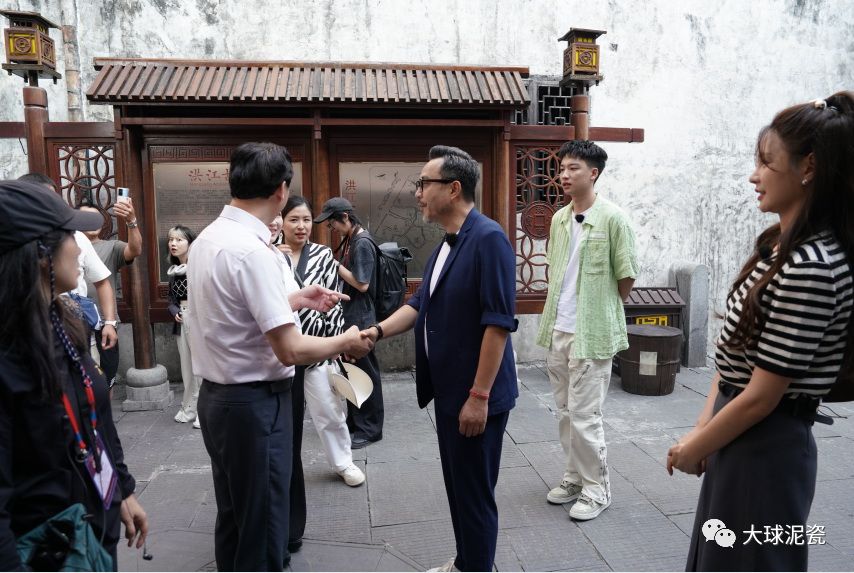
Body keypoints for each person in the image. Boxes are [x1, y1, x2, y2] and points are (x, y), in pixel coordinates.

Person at [668, 93, 854, 571]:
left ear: (808, 167)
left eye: (766, 163)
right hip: (739, 433)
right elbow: (734, 353)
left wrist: (697, 445)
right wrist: (704, 433)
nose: (754, 176)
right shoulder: (779, 249)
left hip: (767, 446)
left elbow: (762, 395)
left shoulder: (812, 266)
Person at [186, 142, 373, 571]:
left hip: (218, 399)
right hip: (254, 403)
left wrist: (297, 298)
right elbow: (290, 349)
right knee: (264, 525)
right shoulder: (254, 251)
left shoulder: (210, 238)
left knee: (235, 514)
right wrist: (344, 341)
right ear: (281, 191)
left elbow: (234, 311)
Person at [361, 145, 518, 572]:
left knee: (474, 495)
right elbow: (419, 304)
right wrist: (376, 332)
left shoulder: (489, 239)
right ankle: (467, 562)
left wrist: (479, 397)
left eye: (423, 183)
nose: (417, 192)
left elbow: (498, 324)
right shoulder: (447, 244)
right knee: (459, 488)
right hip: (450, 393)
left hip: (475, 396)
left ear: (453, 189)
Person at [0, 180, 148, 571]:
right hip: (43, 547)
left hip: (93, 527)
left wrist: (122, 490)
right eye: (70, 235)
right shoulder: (8, 357)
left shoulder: (64, 321)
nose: (79, 246)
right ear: (40, 255)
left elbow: (95, 421)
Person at [535, 140, 638, 521]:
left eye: (573, 168)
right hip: (559, 329)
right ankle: (574, 477)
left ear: (593, 173)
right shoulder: (560, 219)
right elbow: (556, 270)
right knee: (565, 412)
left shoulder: (613, 218)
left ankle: (597, 489)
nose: (564, 175)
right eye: (562, 168)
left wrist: (600, 309)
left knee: (585, 416)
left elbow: (626, 275)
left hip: (591, 333)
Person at [17, 174, 119, 356]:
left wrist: (109, 322)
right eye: (64, 237)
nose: (77, 250)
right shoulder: (22, 336)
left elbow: (103, 282)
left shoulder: (68, 319)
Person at [314, 197, 383, 448]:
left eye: (332, 223)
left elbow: (362, 284)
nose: (331, 228)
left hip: (361, 317)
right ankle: (357, 423)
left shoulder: (361, 242)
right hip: (353, 315)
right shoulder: (353, 239)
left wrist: (333, 264)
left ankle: (370, 429)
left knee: (364, 372)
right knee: (352, 372)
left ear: (345, 217)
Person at [79, 199, 143, 389]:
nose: (92, 222)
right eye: (86, 217)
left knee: (107, 376)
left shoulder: (112, 246)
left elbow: (135, 249)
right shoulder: (69, 246)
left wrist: (131, 221)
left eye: (96, 217)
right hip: (75, 320)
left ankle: (106, 408)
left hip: (105, 322)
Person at [166, 225, 202, 429]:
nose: (173, 243)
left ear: (190, 243)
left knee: (201, 368)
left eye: (179, 240)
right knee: (186, 368)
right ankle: (189, 409)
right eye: (171, 239)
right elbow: (171, 299)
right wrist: (175, 311)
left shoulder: (198, 267)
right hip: (182, 320)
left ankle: (204, 412)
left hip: (199, 319)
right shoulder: (174, 271)